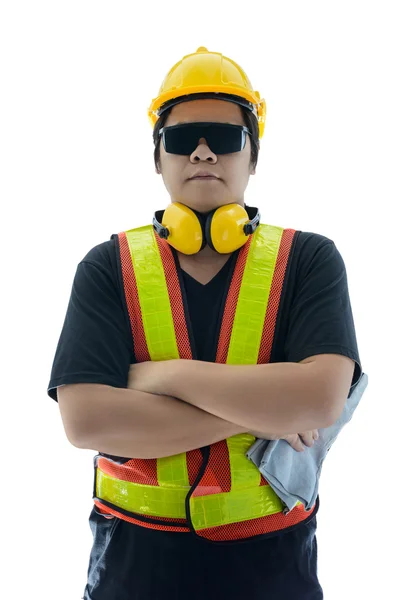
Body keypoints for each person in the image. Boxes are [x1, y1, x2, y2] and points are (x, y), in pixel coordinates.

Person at [47, 47, 362, 600]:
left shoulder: (309, 260)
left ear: (253, 157)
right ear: (158, 158)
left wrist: (159, 376)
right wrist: (265, 412)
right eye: (181, 138)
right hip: (131, 572)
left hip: (274, 571)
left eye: (224, 137)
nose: (202, 152)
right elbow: (87, 422)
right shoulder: (108, 266)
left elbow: (319, 402)